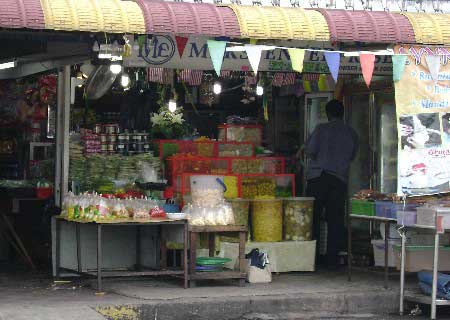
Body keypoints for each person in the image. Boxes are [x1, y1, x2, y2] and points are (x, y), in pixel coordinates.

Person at [302, 99, 358, 269]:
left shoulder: (321, 129)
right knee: (335, 220)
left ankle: (313, 258)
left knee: (314, 219)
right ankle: (332, 260)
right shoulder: (351, 133)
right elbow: (352, 156)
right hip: (339, 180)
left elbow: (310, 151)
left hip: (318, 177)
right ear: (343, 113)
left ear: (328, 114)